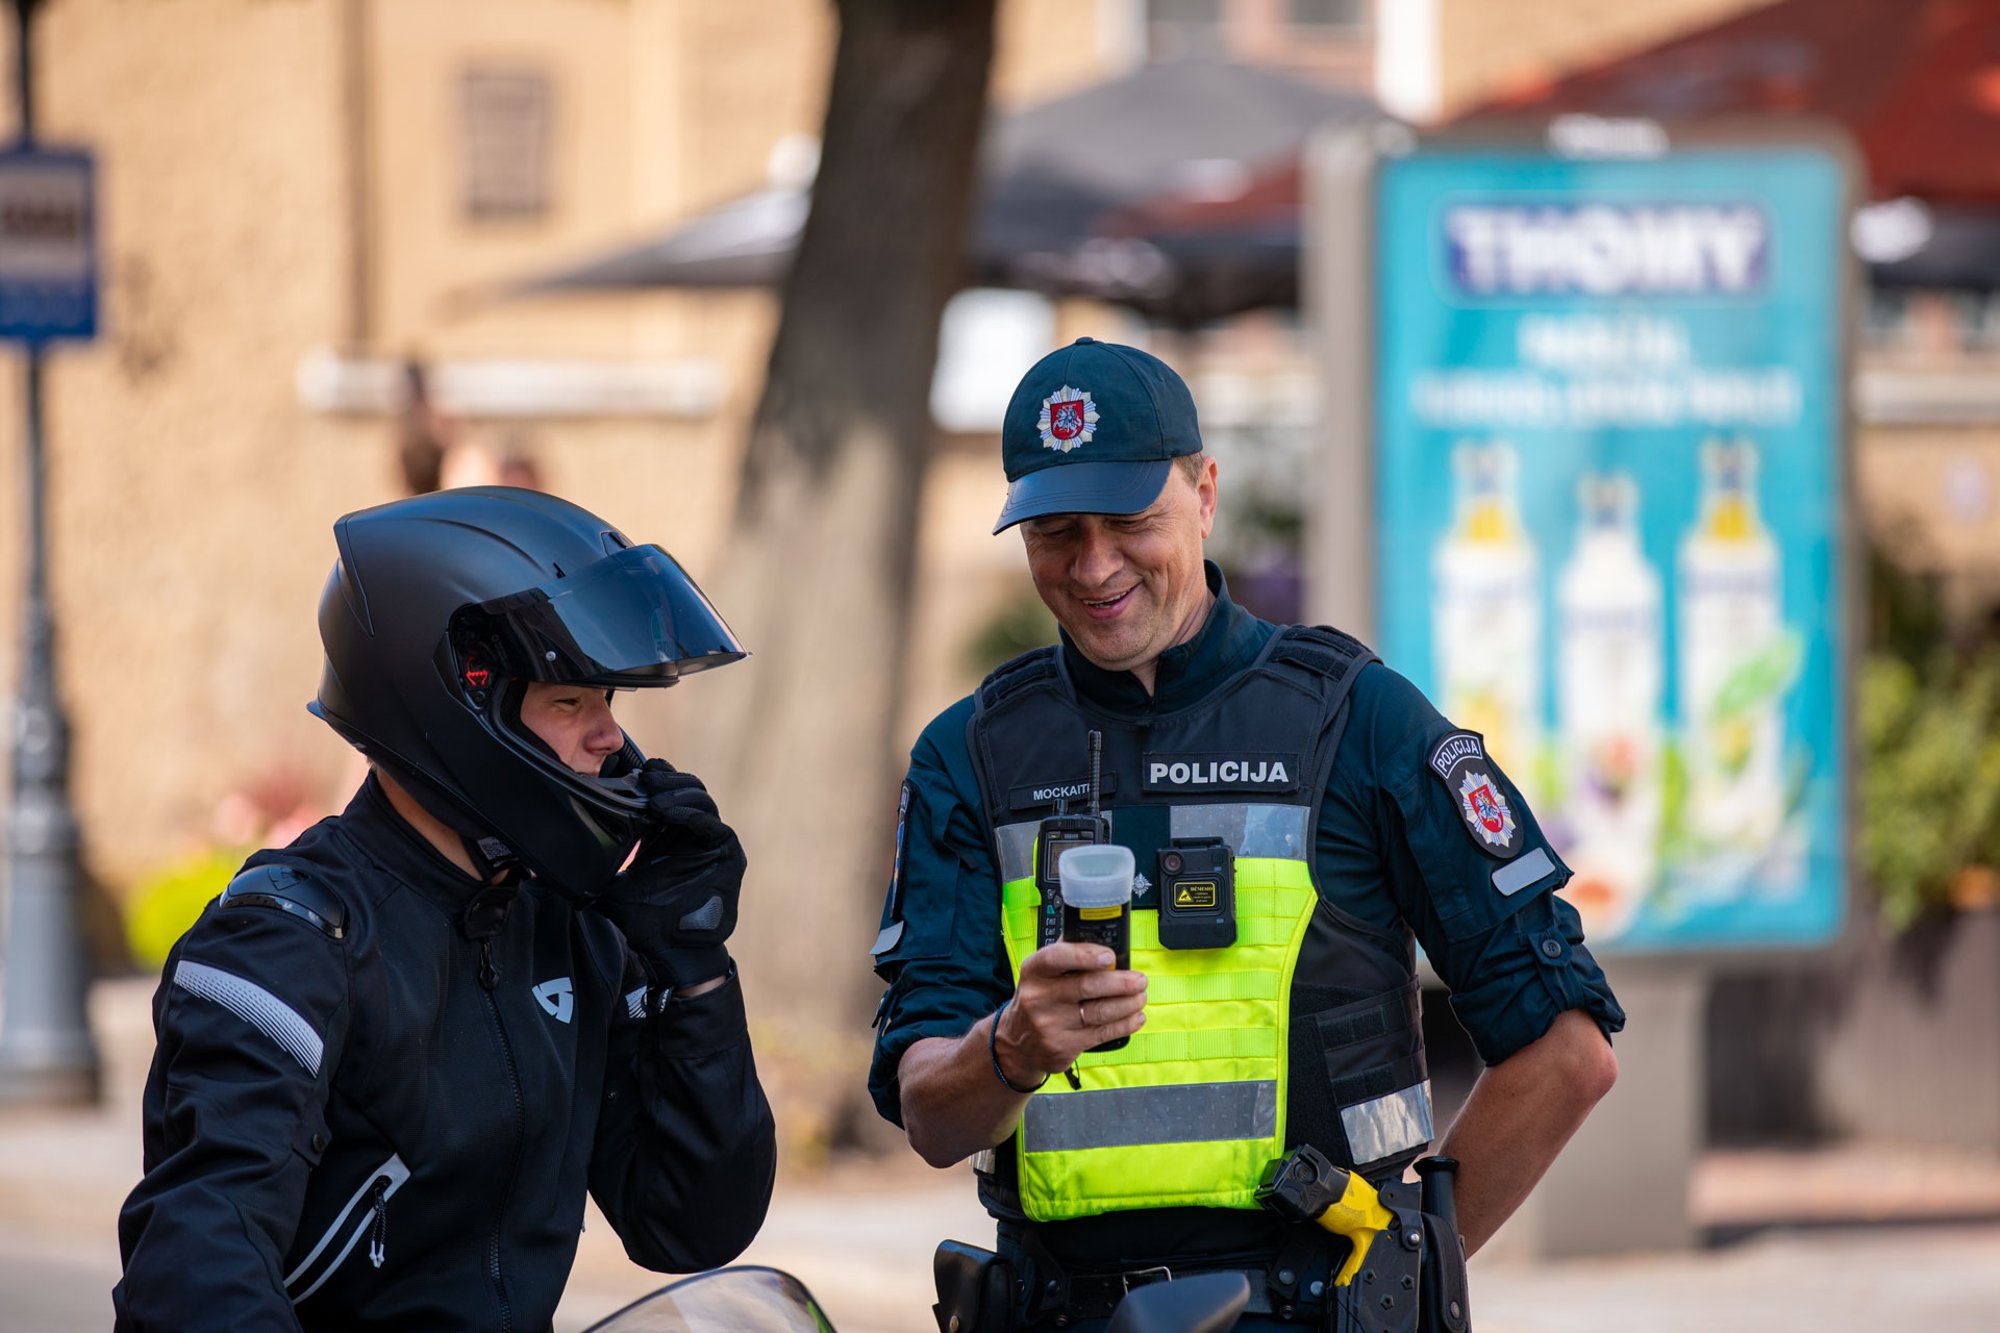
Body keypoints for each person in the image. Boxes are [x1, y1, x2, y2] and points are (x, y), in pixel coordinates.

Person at [867, 339, 1624, 1330]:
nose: (1093, 566)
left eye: (1131, 521)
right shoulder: (967, 754)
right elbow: (927, 1112)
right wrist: (1009, 1050)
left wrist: (1404, 1277)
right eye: (1055, 530)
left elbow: (1567, 1054)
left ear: (1205, 493)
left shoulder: (1359, 721)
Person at [115, 488, 777, 1330]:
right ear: (456, 711)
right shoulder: (284, 943)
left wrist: (692, 971)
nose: (609, 738)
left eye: (610, 703)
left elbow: (690, 1220)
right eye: (571, 702)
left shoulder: (568, 928)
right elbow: (197, 1268)